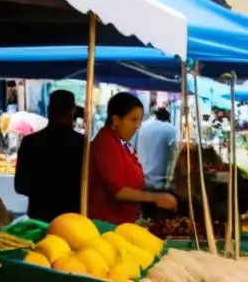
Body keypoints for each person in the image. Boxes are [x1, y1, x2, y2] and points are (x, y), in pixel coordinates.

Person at [87, 92, 177, 225]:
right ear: (116, 120)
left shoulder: (120, 143)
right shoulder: (106, 143)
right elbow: (118, 191)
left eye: (139, 121)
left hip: (121, 222)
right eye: (133, 120)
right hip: (105, 225)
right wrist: (156, 197)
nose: (137, 126)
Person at [14, 90, 85, 223]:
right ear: (73, 111)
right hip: (73, 220)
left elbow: (20, 186)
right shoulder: (83, 144)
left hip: (39, 218)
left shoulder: (31, 142)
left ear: (48, 110)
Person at [135, 108, 177, 191]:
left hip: (141, 177)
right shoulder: (171, 129)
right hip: (160, 181)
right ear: (167, 118)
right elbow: (176, 149)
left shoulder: (142, 126)